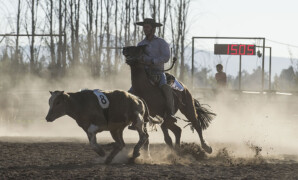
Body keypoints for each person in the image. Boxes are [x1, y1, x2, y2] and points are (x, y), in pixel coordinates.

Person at [129, 18, 177, 124]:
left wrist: (152, 61)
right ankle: (132, 117)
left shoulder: (161, 42)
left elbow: (166, 57)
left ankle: (170, 113)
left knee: (166, 88)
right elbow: (138, 57)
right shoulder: (140, 44)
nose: (145, 29)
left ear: (153, 29)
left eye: (147, 27)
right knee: (130, 92)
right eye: (144, 27)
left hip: (158, 73)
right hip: (144, 74)